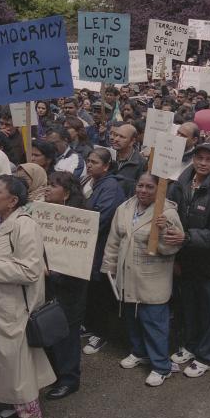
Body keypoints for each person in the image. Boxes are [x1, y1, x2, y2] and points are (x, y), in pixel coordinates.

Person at [0, 175, 55, 418]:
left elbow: (31, 270)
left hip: (13, 307)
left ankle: (31, 417)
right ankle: (9, 406)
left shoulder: (24, 225)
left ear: (13, 200)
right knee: (0, 362)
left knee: (17, 367)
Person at [102, 173, 184, 387]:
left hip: (152, 279)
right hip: (126, 275)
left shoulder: (167, 213)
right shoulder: (125, 207)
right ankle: (139, 352)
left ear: (159, 189)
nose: (144, 191)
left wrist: (165, 228)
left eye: (150, 187)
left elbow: (171, 249)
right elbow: (114, 240)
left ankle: (161, 366)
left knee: (154, 323)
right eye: (140, 185)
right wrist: (109, 266)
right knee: (132, 318)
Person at [167, 143, 210, 377]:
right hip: (186, 261)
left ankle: (207, 355)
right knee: (189, 307)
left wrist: (187, 237)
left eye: (209, 159)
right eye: (200, 158)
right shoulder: (181, 183)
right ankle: (190, 345)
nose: (203, 163)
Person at [42, 171, 88, 399]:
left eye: (53, 186)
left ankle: (70, 379)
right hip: (46, 283)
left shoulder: (81, 220)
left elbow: (79, 261)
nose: (47, 189)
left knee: (66, 333)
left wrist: (54, 274)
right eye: (47, 185)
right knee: (49, 329)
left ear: (67, 193)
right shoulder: (42, 212)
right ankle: (54, 374)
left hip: (69, 287)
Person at [82, 148, 126, 355]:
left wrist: (79, 228)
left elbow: (101, 218)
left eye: (94, 162)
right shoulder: (88, 181)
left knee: (102, 293)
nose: (89, 165)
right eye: (88, 161)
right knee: (91, 291)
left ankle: (101, 334)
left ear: (106, 166)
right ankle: (91, 326)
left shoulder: (111, 187)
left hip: (101, 247)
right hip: (88, 247)